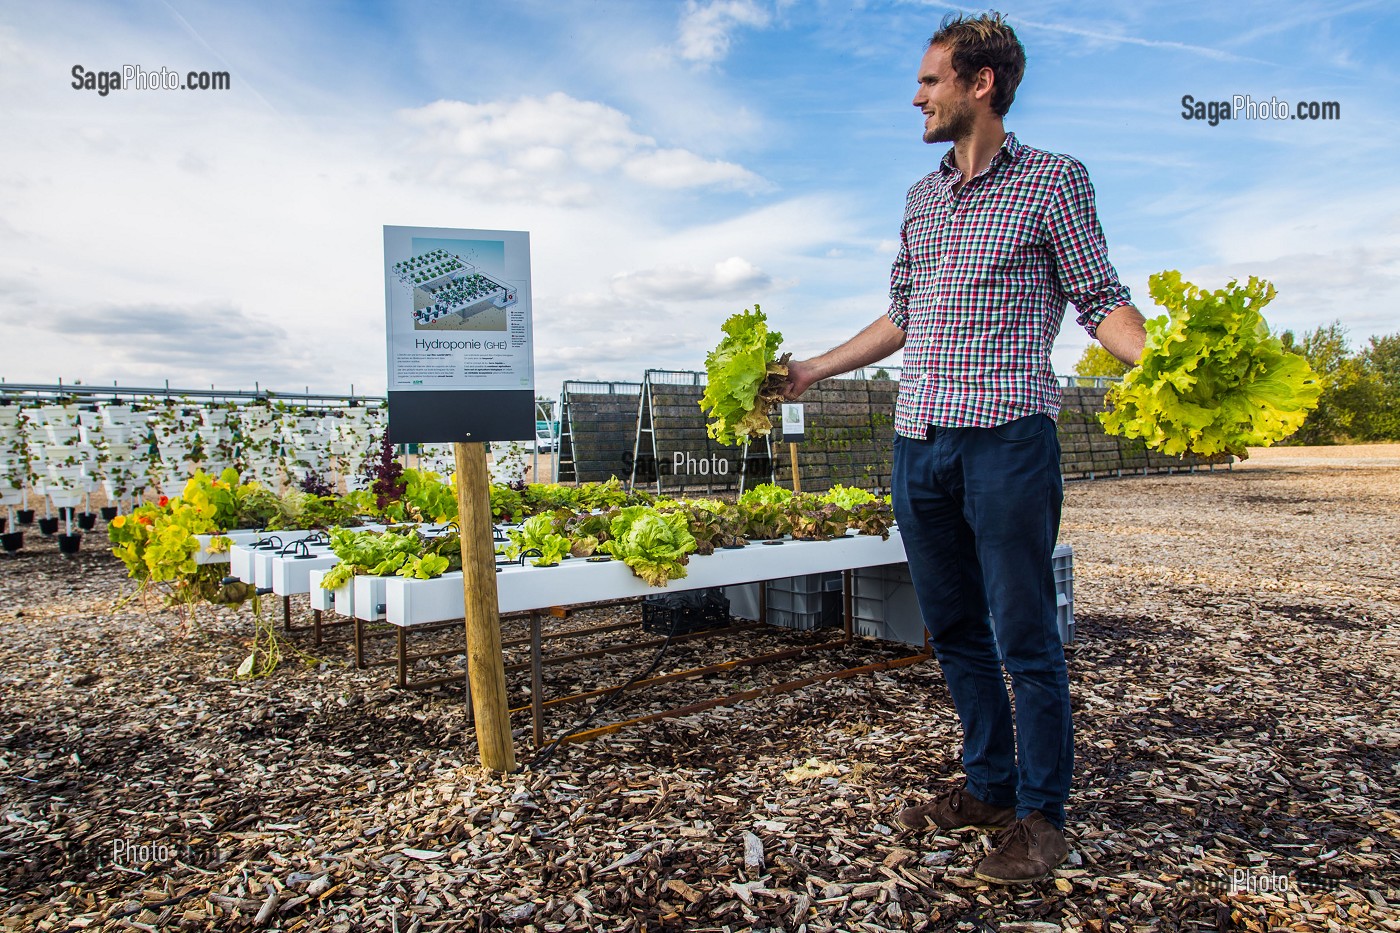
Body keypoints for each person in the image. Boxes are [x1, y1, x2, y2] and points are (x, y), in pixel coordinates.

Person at [784, 12, 1147, 885]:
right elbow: (904, 314)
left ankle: (1041, 815)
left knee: (1027, 632)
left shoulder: (1055, 179)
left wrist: (1172, 371)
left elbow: (1099, 297)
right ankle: (988, 784)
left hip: (1009, 439)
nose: (917, 95)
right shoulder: (921, 196)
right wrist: (811, 371)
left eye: (930, 80)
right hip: (923, 441)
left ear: (980, 84)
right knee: (952, 627)